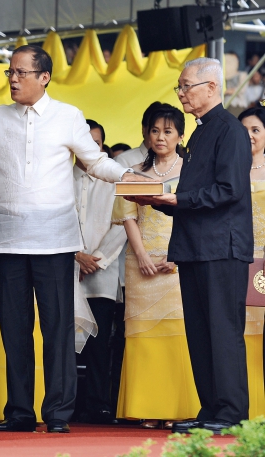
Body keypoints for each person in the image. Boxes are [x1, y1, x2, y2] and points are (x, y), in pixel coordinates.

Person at [0, 45, 148, 433]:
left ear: (44, 77)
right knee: (15, 332)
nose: (13, 79)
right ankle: (19, 413)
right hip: (6, 242)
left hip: (55, 241)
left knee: (57, 329)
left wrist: (130, 177)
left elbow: (96, 161)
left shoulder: (68, 117)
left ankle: (57, 415)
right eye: (10, 73)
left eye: (21, 72)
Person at [140, 57, 253, 435]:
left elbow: (229, 190)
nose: (181, 93)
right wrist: (163, 201)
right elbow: (196, 193)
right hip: (195, 245)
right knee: (201, 333)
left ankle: (231, 411)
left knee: (222, 331)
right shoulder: (202, 131)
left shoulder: (230, 130)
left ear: (212, 87)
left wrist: (178, 201)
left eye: (187, 85)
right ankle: (211, 409)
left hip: (221, 246)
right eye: (180, 86)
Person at [113, 105, 201, 428]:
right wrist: (142, 257)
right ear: (146, 134)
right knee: (142, 333)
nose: (160, 137)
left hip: (180, 259)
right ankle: (148, 407)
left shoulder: (193, 171)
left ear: (180, 135)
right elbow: (127, 216)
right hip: (142, 264)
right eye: (154, 131)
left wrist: (176, 254)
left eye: (168, 131)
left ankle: (179, 408)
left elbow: (195, 214)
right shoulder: (133, 172)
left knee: (180, 331)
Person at [74, 119, 126, 425]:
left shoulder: (113, 181)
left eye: (97, 143)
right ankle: (66, 404)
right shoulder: (60, 177)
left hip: (101, 277)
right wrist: (75, 257)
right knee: (64, 342)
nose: (91, 148)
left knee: (98, 345)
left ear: (102, 147)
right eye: (85, 142)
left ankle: (97, 405)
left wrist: (95, 259)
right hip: (66, 272)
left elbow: (121, 225)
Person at [237, 107, 265, 417]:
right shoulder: (233, 169)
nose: (249, 136)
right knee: (240, 333)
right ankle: (246, 407)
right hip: (239, 257)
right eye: (243, 129)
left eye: (255, 129)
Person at [115, 102, 163, 168]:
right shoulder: (123, 161)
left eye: (167, 132)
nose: (161, 137)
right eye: (155, 131)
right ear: (144, 130)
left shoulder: (179, 161)